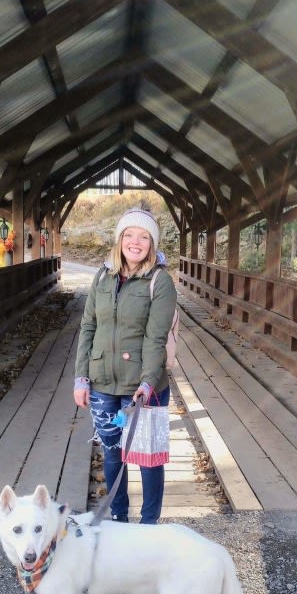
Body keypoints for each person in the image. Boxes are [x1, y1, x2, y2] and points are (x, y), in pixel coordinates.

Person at [73, 209, 178, 524]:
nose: (136, 242)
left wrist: (147, 383)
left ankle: (148, 525)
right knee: (112, 455)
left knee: (147, 459)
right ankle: (118, 517)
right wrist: (81, 378)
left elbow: (155, 338)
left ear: (152, 243)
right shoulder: (102, 276)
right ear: (119, 240)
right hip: (102, 382)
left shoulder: (160, 281)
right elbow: (88, 326)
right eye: (130, 235)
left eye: (144, 237)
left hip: (142, 387)